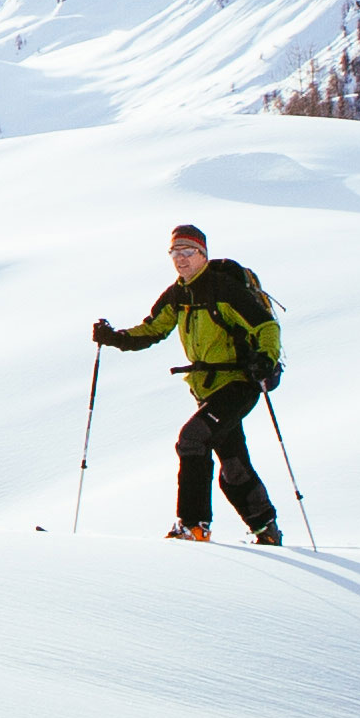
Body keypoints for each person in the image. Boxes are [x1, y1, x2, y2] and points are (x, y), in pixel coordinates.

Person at [93, 221, 283, 544]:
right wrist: (114, 338)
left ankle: (193, 526)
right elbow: (152, 329)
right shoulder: (177, 294)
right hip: (206, 390)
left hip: (238, 383)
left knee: (192, 439)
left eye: (188, 252)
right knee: (233, 466)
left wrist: (266, 358)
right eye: (175, 252)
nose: (181, 259)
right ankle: (266, 530)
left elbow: (266, 326)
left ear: (203, 255)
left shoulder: (224, 289)